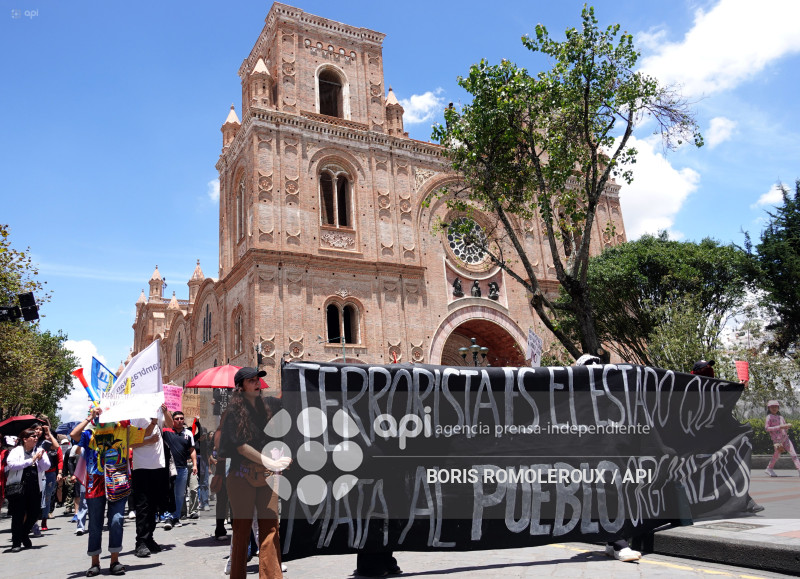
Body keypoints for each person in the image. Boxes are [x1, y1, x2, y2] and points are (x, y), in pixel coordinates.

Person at [219, 367, 291, 579]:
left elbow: (289, 400)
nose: (257, 383)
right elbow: (240, 446)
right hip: (240, 477)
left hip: (267, 476)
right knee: (242, 530)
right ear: (240, 387)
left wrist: (291, 373)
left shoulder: (269, 406)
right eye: (251, 381)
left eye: (258, 379)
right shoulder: (232, 412)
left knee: (270, 528)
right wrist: (268, 460)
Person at [71, 406, 156, 577]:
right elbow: (74, 435)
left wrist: (154, 420)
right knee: (95, 522)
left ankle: (114, 560)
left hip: (118, 479)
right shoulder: (90, 433)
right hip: (95, 480)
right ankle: (95, 562)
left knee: (117, 520)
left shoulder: (123, 430)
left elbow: (144, 433)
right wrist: (89, 418)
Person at [130, 403, 173, 557]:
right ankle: (140, 541)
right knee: (143, 505)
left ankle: (149, 538)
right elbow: (131, 442)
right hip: (142, 466)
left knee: (154, 504)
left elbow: (171, 425)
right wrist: (149, 440)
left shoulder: (157, 412)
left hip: (159, 464)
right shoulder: (136, 414)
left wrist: (165, 411)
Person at [5, 427, 50, 552]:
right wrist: (32, 460)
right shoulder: (16, 450)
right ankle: (16, 542)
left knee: (34, 513)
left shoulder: (40, 450)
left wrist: (40, 459)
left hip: (35, 486)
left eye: (37, 436)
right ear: (25, 439)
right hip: (19, 487)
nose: (36, 438)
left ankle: (24, 534)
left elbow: (47, 466)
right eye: (33, 436)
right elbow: (12, 465)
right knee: (18, 515)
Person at [162, 410, 196, 529]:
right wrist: (165, 412)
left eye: (182, 418)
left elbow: (192, 450)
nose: (180, 420)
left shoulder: (188, 433)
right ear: (173, 420)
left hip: (182, 468)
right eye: (177, 419)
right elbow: (166, 422)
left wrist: (195, 464)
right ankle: (168, 517)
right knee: (168, 493)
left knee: (180, 495)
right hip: (168, 469)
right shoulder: (166, 432)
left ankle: (176, 517)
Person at [764, 400, 800, 477]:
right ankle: (769, 468)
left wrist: (787, 426)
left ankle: (799, 469)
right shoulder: (769, 417)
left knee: (793, 454)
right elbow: (767, 428)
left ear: (778, 408)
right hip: (777, 441)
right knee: (777, 455)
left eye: (776, 407)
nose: (774, 408)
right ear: (769, 408)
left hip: (785, 439)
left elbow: (784, 427)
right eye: (772, 407)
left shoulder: (781, 417)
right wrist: (779, 427)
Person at [39, 421, 62, 531]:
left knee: (47, 497)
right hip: (37, 474)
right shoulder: (36, 442)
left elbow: (58, 451)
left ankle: (44, 519)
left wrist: (60, 473)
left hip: (50, 474)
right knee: (36, 497)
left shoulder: (51, 445)